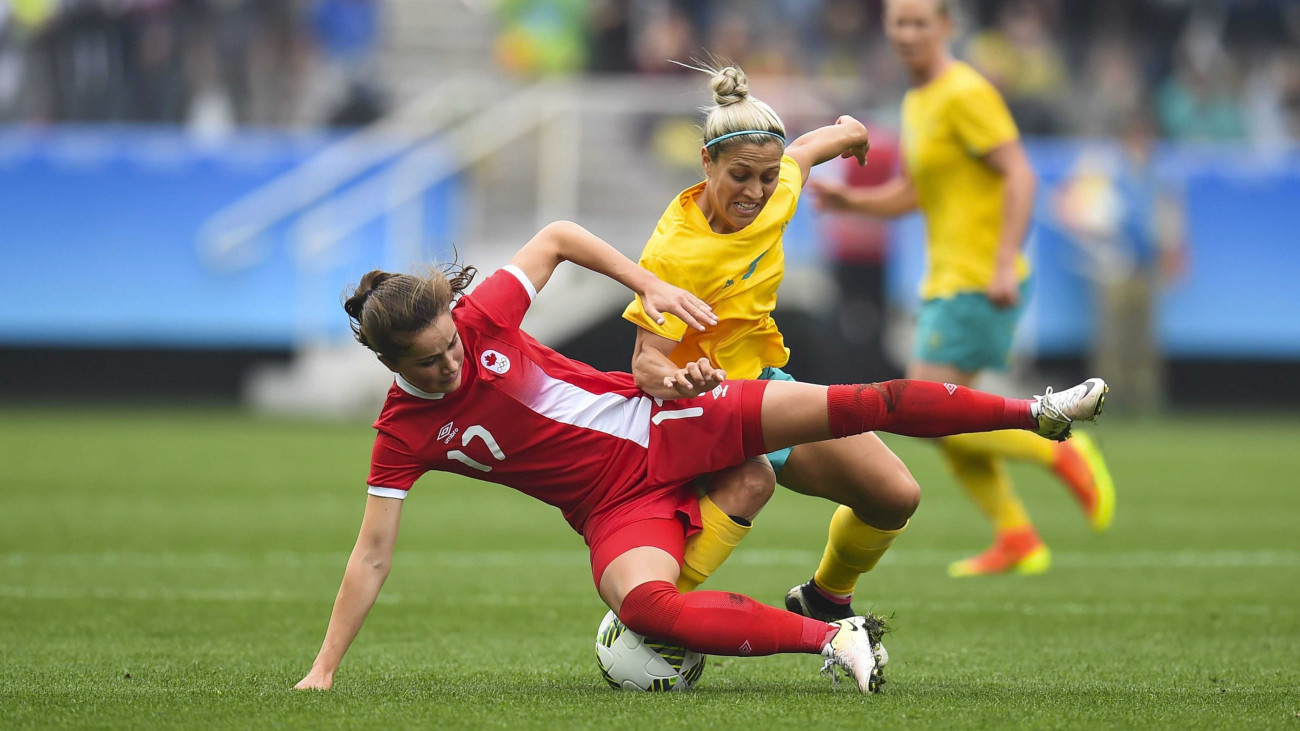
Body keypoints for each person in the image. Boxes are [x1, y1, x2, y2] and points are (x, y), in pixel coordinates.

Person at [292, 220, 1107, 694]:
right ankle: (834, 638)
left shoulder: (481, 319)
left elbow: (559, 237)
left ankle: (1036, 411)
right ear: (389, 363)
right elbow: (372, 553)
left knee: (859, 403)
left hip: (673, 421)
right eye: (428, 360)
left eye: (449, 344)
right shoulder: (402, 432)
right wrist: (324, 669)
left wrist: (645, 283)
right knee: (644, 606)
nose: (452, 362)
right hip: (613, 508)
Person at [809, 0, 1115, 577]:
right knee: (944, 418)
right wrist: (853, 201)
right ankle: (1016, 534)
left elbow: (1021, 174)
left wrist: (1002, 263)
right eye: (899, 23)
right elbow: (916, 193)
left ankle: (1059, 448)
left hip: (977, 280)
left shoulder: (966, 92)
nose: (908, 33)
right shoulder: (919, 100)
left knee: (929, 411)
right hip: (948, 279)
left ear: (946, 27)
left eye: (920, 22)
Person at [622, 61, 922, 622]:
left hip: (761, 390)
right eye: (740, 176)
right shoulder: (674, 253)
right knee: (751, 480)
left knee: (895, 495)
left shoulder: (778, 187)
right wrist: (683, 379)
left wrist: (852, 133)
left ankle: (825, 598)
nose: (755, 192)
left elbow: (806, 150)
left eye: (766, 177)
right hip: (695, 408)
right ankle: (642, 616)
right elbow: (645, 364)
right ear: (706, 162)